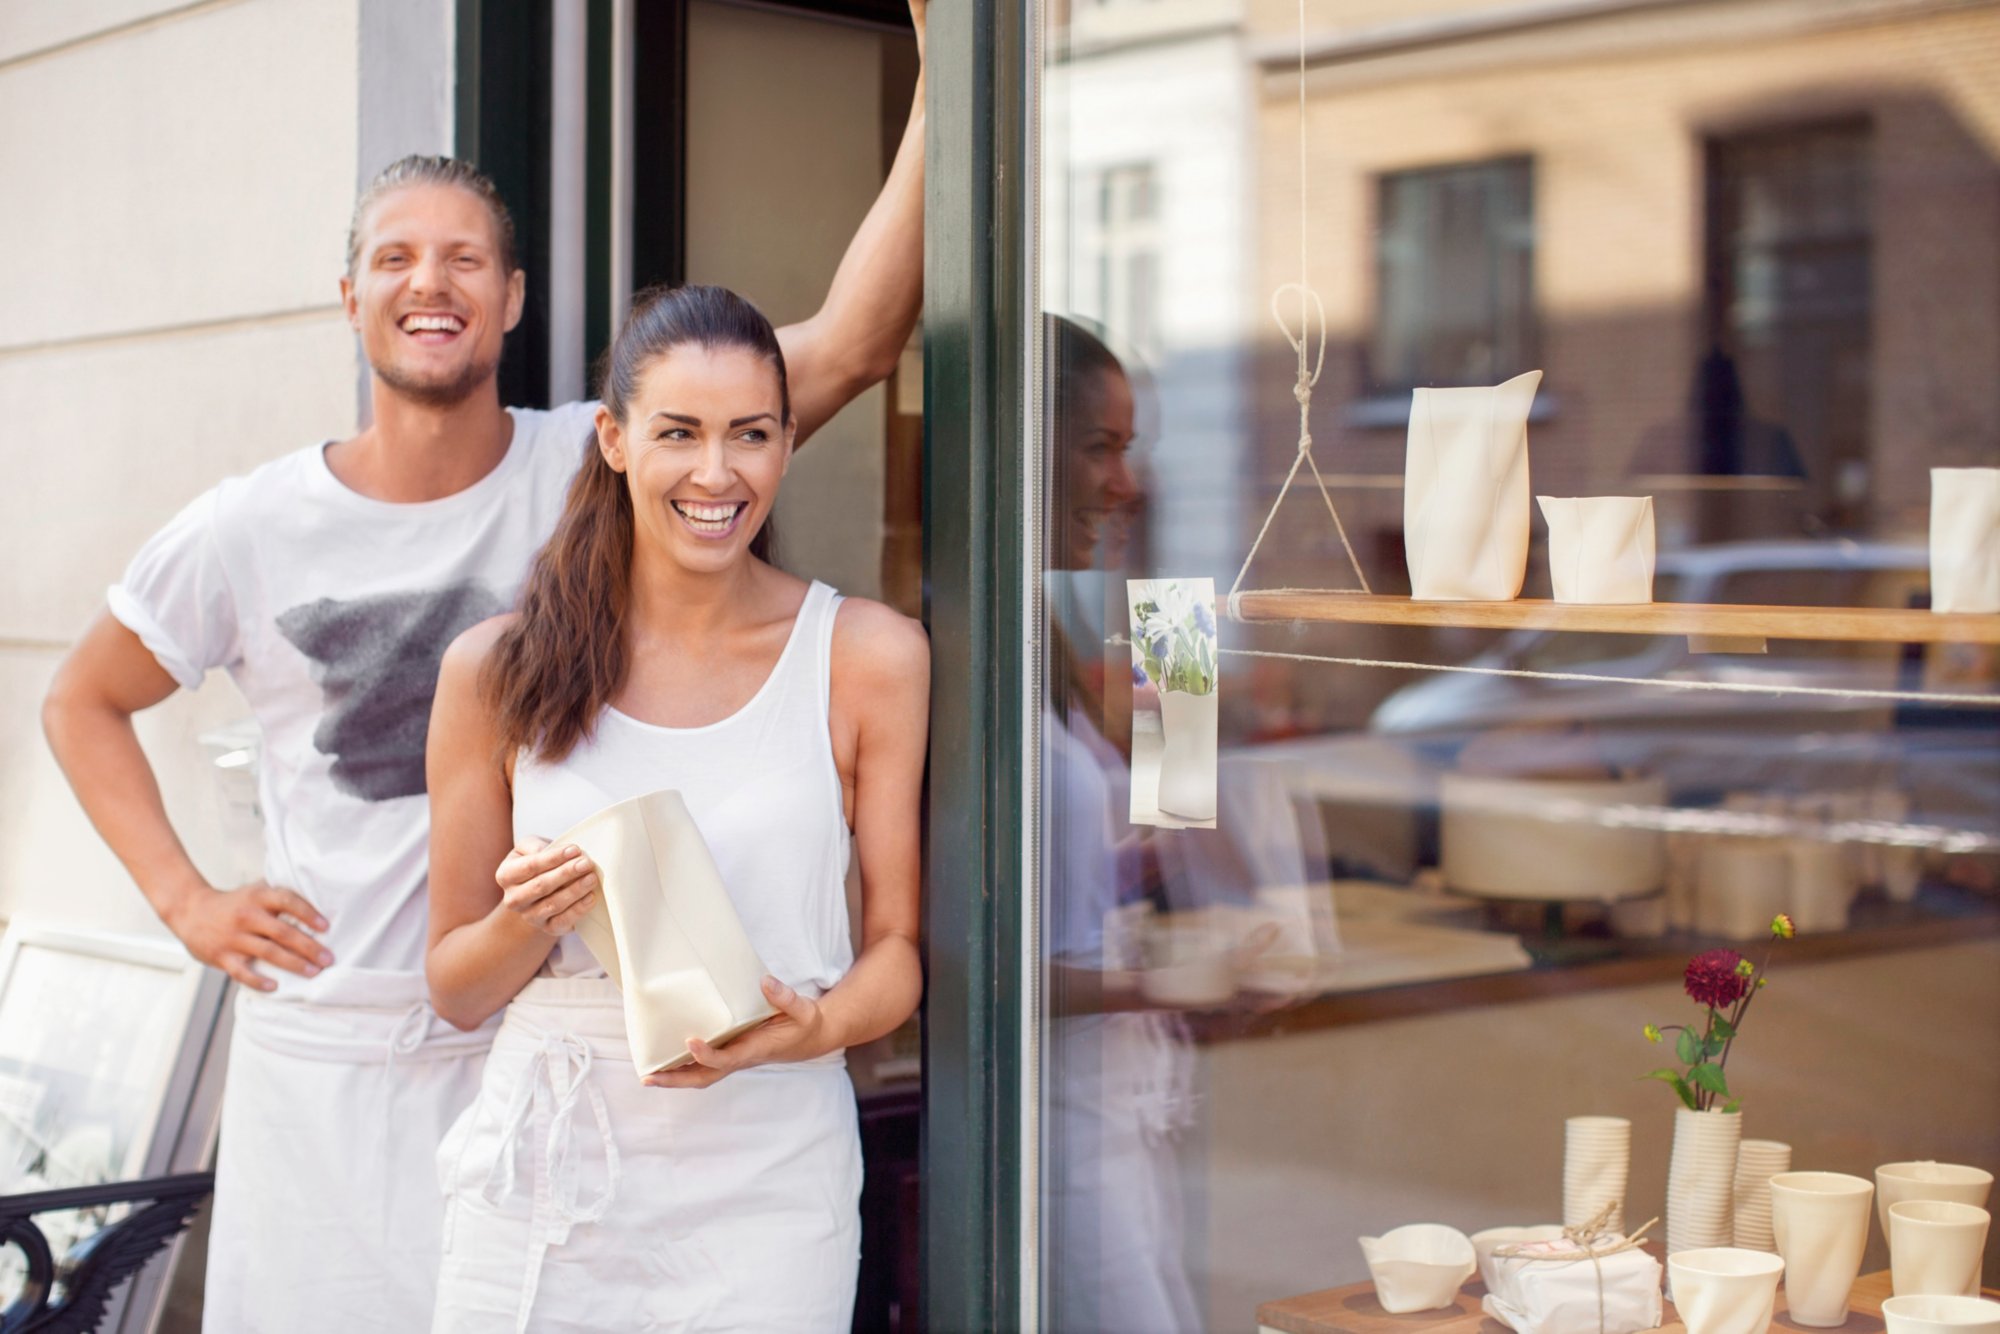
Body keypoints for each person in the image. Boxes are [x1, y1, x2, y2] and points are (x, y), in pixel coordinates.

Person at [37, 10, 925, 1326]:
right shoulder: (250, 524)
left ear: (512, 299)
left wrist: (951, 73)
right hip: (334, 1050)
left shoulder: (608, 456)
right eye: (393, 256)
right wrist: (188, 900)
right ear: (349, 297)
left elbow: (847, 341)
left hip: (548, 1050)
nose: (428, 280)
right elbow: (80, 697)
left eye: (465, 258)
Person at [422, 283, 928, 1332]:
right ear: (612, 440)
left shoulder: (866, 656)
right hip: (549, 1166)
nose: (716, 472)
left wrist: (814, 1025)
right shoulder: (495, 669)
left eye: (749, 433)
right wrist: (532, 915)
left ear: (788, 441)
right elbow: (453, 988)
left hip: (769, 1166)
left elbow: (897, 950)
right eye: (678, 433)